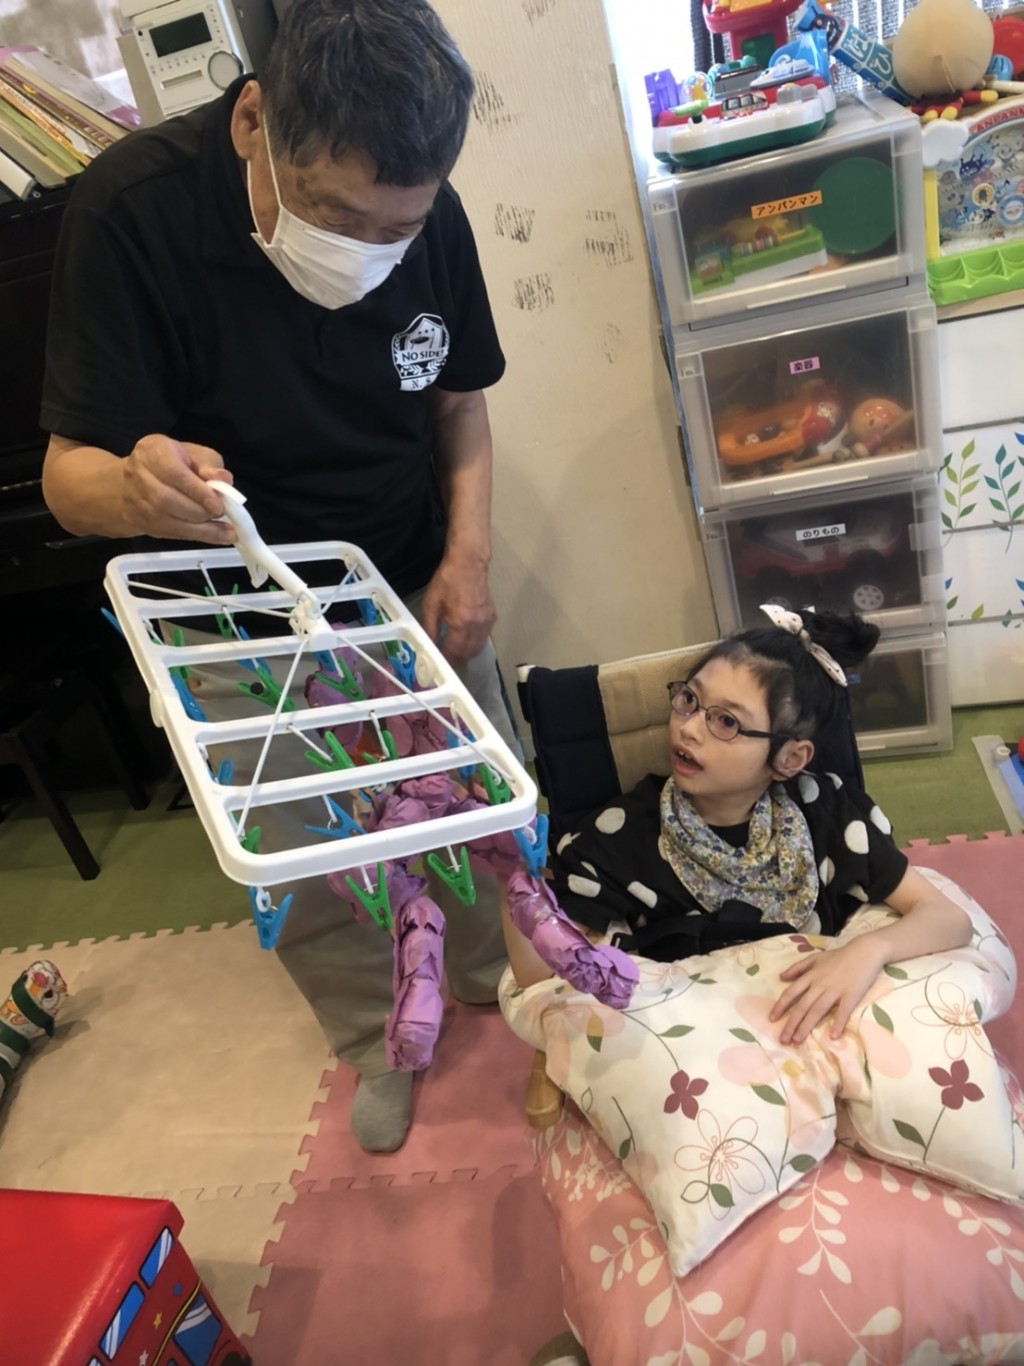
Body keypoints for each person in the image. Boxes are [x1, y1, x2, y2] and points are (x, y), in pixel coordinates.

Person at [39, 0, 519, 1152]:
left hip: (403, 564)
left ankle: (497, 974)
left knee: (480, 803)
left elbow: (459, 404)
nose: (368, 247)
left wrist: (467, 558)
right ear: (253, 120)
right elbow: (66, 481)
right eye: (337, 215)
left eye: (397, 226)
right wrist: (137, 489)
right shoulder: (133, 212)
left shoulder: (425, 210)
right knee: (311, 853)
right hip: (230, 605)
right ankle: (374, 1038)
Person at [502, 606, 972, 1045]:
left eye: (726, 721)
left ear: (790, 758)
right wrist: (510, 871)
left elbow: (948, 918)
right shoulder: (623, 836)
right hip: (706, 1051)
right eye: (689, 699)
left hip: (819, 1034)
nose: (688, 727)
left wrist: (867, 951)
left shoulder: (827, 812)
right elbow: (542, 976)